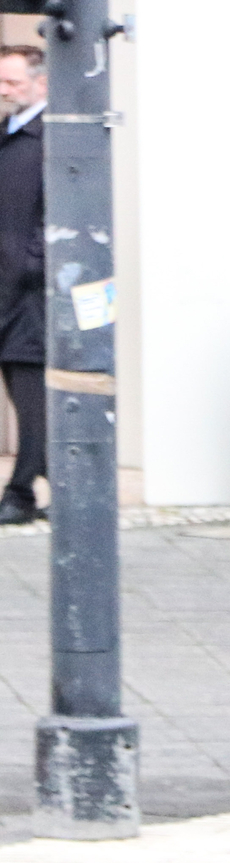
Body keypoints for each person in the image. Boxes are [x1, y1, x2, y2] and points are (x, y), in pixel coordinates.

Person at [0, 45, 48, 524]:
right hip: (5, 289)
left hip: (28, 295)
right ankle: (53, 480)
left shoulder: (52, 137)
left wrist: (32, 264)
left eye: (11, 82)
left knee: (29, 396)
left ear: (41, 84)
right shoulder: (8, 134)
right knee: (22, 394)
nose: (3, 89)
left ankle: (21, 493)